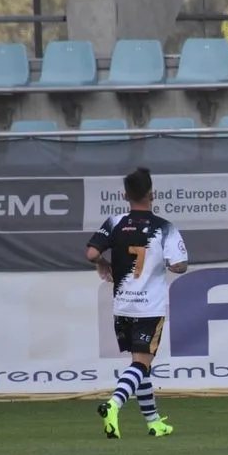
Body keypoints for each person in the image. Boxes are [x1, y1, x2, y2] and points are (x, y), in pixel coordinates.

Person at [86, 167, 188, 439]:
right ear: (152, 194)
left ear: (125, 195)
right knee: (142, 363)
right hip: (149, 307)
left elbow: (91, 252)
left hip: (123, 306)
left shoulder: (115, 221)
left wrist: (103, 263)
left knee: (139, 363)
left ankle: (154, 422)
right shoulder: (164, 227)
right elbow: (179, 265)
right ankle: (113, 404)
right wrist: (167, 263)